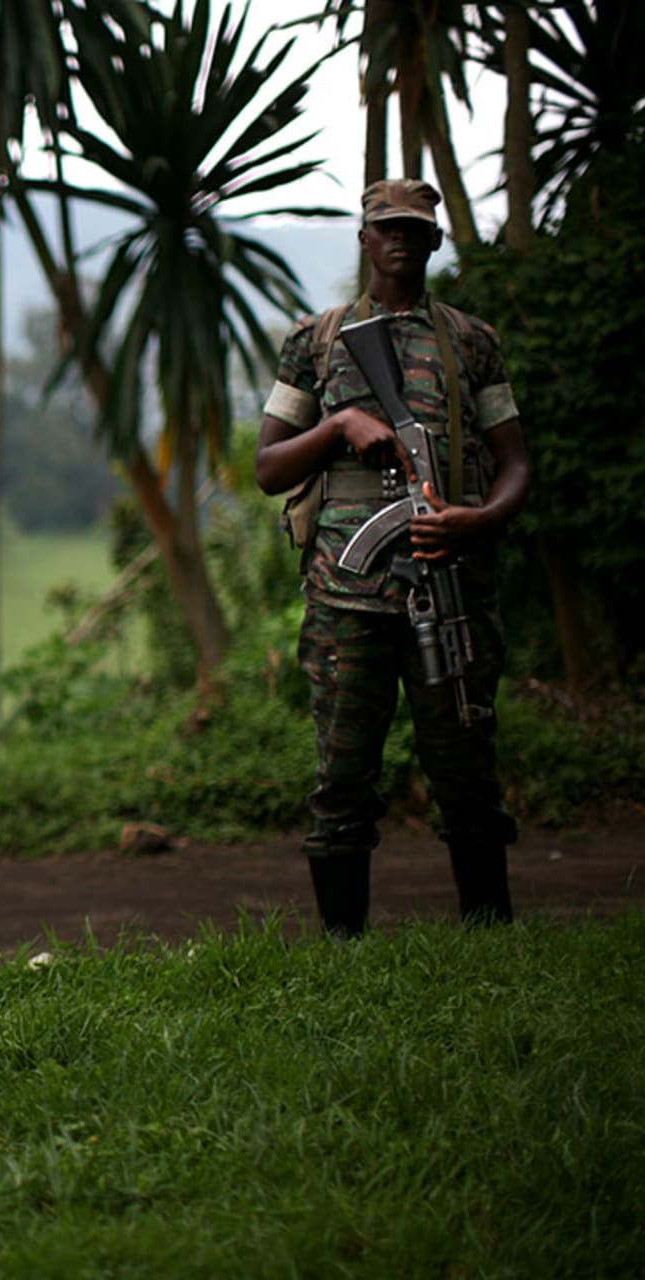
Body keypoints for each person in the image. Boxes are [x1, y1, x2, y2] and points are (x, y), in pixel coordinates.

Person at [254, 179, 530, 937]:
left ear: (435, 241)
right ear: (364, 238)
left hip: (453, 588)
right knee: (342, 779)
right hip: (346, 594)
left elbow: (515, 463)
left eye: (415, 228)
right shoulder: (318, 339)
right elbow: (271, 467)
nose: (401, 239)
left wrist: (477, 521)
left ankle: (488, 937)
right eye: (387, 227)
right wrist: (340, 422)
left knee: (467, 771)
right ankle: (344, 949)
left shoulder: (471, 342)